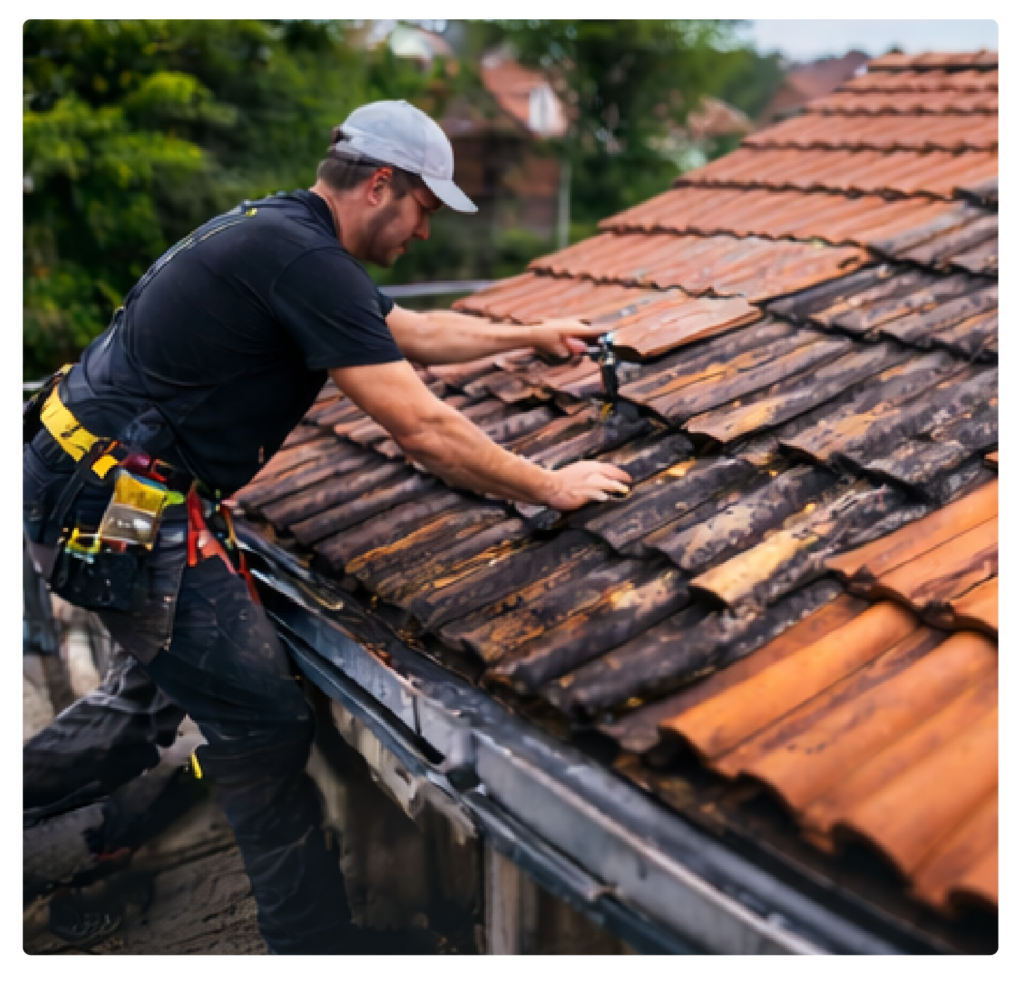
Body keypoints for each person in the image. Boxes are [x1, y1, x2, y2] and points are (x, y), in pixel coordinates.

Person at [21, 99, 631, 956]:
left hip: (90, 481)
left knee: (145, 703)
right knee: (262, 722)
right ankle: (311, 940)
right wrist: (548, 483)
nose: (424, 234)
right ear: (381, 184)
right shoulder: (303, 257)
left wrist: (526, 333)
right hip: (118, 508)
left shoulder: (288, 232)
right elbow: (421, 428)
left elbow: (405, 331)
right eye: (424, 208)